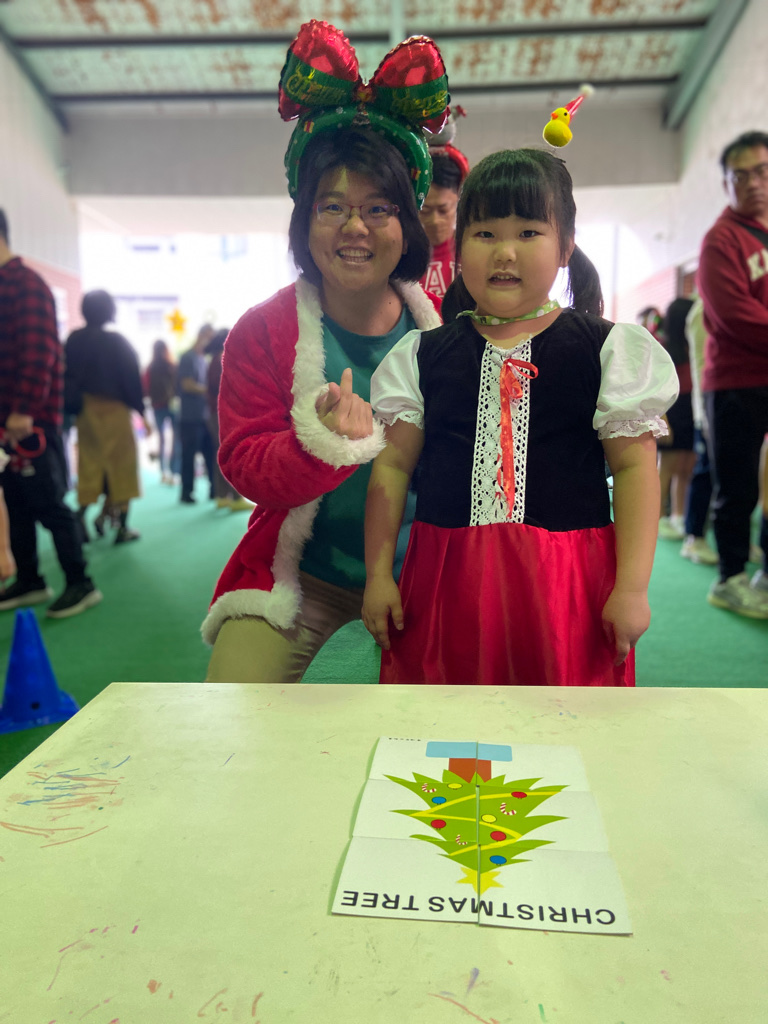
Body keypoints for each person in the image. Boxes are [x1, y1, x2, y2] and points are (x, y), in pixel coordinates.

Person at [362, 148, 679, 686]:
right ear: (460, 245)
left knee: (563, 722)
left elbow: (633, 469)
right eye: (484, 233)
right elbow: (392, 467)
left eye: (529, 232)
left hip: (567, 587)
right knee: (446, 723)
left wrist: (631, 588)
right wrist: (378, 577)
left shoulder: (606, 350)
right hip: (446, 584)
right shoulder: (421, 354)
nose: (504, 252)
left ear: (566, 246)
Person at [202, 21, 447, 682]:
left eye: (379, 208)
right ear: (303, 220)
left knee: (446, 727)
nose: (355, 228)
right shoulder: (262, 330)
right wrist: (322, 445)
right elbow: (245, 464)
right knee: (230, 710)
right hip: (299, 574)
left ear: (407, 222)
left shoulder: (448, 331)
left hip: (426, 577)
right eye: (331, 207)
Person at [0, 208, 102, 617]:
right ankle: (30, 580)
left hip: (30, 422)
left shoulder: (25, 284)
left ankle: (80, 582)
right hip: (9, 423)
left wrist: (23, 410)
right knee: (17, 503)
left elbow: (40, 351)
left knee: (50, 504)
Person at [697, 130, 768, 618]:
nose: (753, 183)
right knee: (737, 486)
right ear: (726, 183)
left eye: (761, 171)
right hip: (735, 383)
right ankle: (731, 577)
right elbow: (734, 315)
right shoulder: (720, 239)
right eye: (740, 176)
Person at [65, 289, 150, 544]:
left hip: (85, 412)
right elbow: (131, 380)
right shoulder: (117, 342)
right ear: (110, 310)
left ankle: (80, 516)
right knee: (122, 468)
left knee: (90, 467)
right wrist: (141, 412)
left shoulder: (73, 340)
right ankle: (122, 527)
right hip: (115, 411)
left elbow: (66, 376)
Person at [679, 295, 718, 564]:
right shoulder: (703, 310)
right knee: (705, 472)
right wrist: (704, 414)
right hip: (708, 407)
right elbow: (701, 365)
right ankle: (694, 537)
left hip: (721, 404)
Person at [656, 297, 697, 541]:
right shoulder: (665, 349)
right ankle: (660, 516)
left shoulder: (693, 346)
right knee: (668, 466)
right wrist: (664, 420)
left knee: (687, 466)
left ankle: (679, 515)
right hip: (672, 408)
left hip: (691, 408)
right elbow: (659, 388)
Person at [418, 111, 469, 301]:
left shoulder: (471, 253)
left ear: (458, 199)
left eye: (443, 210)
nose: (434, 220)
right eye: (425, 211)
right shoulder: (401, 255)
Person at [205, 328, 251, 512]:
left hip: (214, 414)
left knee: (221, 454)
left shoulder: (214, 360)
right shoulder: (221, 360)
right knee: (231, 453)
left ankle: (222, 496)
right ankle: (236, 497)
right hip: (220, 415)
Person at [177, 323, 215, 504]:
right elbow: (187, 385)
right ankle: (186, 492)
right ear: (201, 335)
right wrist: (210, 391)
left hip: (204, 416)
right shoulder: (187, 357)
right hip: (189, 417)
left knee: (211, 453)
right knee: (188, 456)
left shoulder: (203, 359)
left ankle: (214, 490)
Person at [145, 339, 179, 484]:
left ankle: (163, 471)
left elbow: (145, 388)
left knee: (161, 438)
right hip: (172, 405)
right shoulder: (172, 366)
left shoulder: (150, 368)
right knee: (176, 438)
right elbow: (178, 385)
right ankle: (174, 470)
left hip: (157, 405)